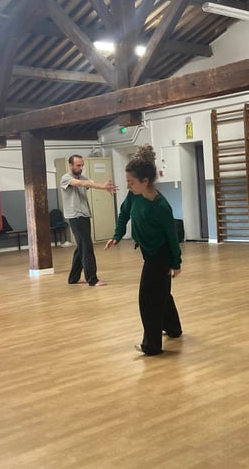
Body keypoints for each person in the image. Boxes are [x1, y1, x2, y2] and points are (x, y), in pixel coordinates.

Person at [105, 144, 182, 356]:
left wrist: (176, 263)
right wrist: (117, 235)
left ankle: (152, 346)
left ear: (145, 181)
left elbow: (172, 237)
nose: (128, 186)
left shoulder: (161, 207)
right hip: (147, 251)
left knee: (148, 299)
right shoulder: (134, 196)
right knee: (161, 293)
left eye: (131, 182)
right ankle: (174, 328)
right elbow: (124, 214)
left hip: (160, 255)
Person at [60, 154, 118, 286]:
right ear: (70, 165)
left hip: (84, 215)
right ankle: (92, 279)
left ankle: (73, 278)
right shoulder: (65, 178)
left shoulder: (82, 176)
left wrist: (104, 186)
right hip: (75, 216)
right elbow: (82, 183)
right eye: (78, 165)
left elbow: (89, 183)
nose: (81, 168)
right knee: (86, 247)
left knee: (81, 247)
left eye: (82, 165)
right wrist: (102, 186)